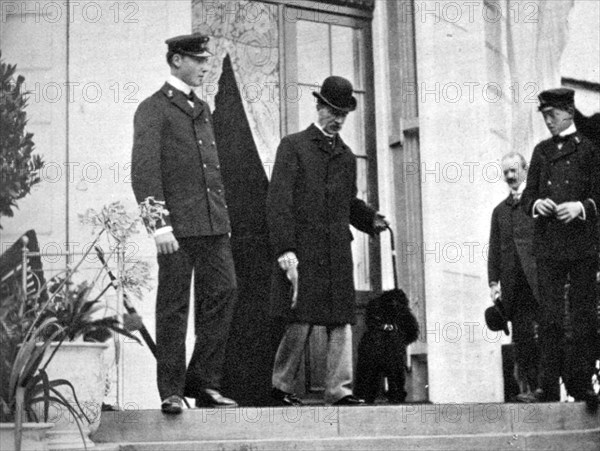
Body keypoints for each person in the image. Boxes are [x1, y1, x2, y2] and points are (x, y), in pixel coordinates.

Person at [131, 33, 238, 414]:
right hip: (175, 230)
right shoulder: (153, 108)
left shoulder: (202, 108)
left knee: (223, 293)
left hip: (212, 224)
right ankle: (172, 390)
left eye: (207, 60)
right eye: (199, 59)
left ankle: (204, 383)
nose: (206, 66)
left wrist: (222, 218)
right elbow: (144, 173)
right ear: (177, 61)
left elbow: (210, 170)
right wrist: (159, 226)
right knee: (174, 307)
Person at [267, 75, 388, 406]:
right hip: (304, 250)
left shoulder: (346, 157)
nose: (338, 120)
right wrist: (286, 252)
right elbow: (278, 203)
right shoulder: (293, 147)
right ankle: (281, 387)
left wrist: (369, 219)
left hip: (336, 249)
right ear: (319, 107)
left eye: (343, 114)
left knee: (341, 320)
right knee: (300, 318)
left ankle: (339, 391)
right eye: (332, 111)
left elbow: (348, 203)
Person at [521, 88, 600, 412]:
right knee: (549, 317)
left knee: (583, 317)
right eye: (544, 116)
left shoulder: (590, 150)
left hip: (582, 245)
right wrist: (538, 203)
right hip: (550, 245)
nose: (548, 121)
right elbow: (527, 198)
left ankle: (582, 385)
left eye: (552, 115)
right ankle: (547, 386)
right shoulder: (540, 152)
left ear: (569, 112)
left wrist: (581, 208)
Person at [488, 152, 541, 400]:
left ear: (524, 169)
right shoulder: (499, 211)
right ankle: (530, 388)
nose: (510, 176)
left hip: (540, 282)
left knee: (549, 333)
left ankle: (547, 386)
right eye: (506, 172)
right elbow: (495, 250)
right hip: (514, 288)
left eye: (514, 170)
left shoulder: (538, 203)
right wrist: (493, 283)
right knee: (522, 338)